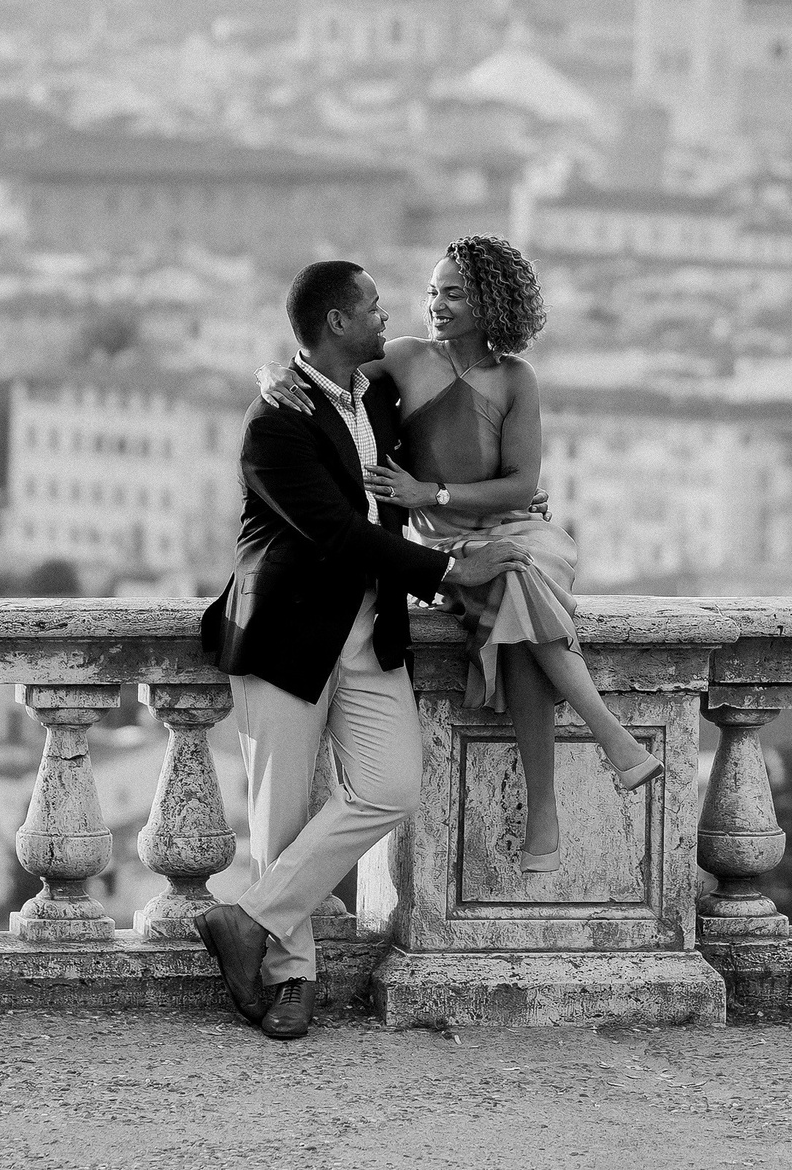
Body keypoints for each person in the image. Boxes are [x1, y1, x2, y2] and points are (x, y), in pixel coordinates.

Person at [195, 259, 529, 1041]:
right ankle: (291, 978)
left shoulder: (377, 390)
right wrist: (449, 570)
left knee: (391, 782)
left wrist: (501, 504)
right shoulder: (272, 421)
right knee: (280, 814)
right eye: (374, 307)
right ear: (339, 322)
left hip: (372, 627)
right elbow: (340, 534)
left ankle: (245, 919)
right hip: (287, 630)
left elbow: (461, 405)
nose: (390, 316)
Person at [261, 234, 662, 878]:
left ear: (490, 302)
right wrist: (274, 373)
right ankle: (596, 749)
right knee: (513, 602)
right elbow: (326, 364)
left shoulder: (515, 379)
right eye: (432, 291)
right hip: (446, 543)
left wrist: (433, 490)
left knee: (517, 574)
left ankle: (551, 803)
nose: (436, 304)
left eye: (453, 292)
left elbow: (521, 483)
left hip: (517, 528)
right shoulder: (404, 358)